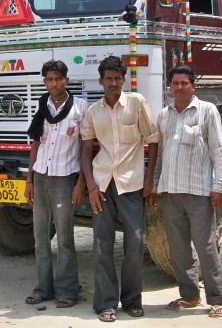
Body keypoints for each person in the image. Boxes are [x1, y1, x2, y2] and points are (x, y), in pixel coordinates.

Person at [148, 65, 222, 318]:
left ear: (193, 86)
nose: (180, 87)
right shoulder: (164, 115)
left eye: (185, 83)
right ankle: (190, 295)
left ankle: (216, 299)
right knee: (178, 247)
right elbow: (161, 155)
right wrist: (154, 187)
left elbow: (219, 151)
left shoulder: (207, 111)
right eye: (175, 83)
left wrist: (219, 186)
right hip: (171, 192)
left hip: (199, 192)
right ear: (170, 87)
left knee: (206, 247)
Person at [80, 56, 158, 322]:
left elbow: (153, 141)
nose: (113, 83)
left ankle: (132, 300)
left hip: (132, 183)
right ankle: (105, 303)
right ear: (101, 81)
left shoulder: (137, 104)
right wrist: (90, 186)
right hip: (102, 184)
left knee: (134, 242)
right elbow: (85, 151)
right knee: (102, 245)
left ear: (124, 80)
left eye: (117, 78)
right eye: (108, 79)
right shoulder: (93, 112)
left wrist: (149, 179)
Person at [23, 60, 89, 308]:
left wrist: (81, 183)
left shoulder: (80, 108)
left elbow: (85, 149)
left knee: (64, 238)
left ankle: (68, 290)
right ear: (45, 82)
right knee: (40, 236)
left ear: (66, 80)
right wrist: (29, 179)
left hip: (64, 179)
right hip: (40, 176)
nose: (54, 83)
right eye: (49, 79)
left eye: (58, 78)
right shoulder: (42, 106)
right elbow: (36, 144)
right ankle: (43, 288)